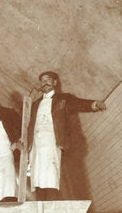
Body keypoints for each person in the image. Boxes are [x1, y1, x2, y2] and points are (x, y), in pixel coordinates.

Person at [28, 71, 106, 200]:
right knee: (37, 175)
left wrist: (94, 104)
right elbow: (27, 124)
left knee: (51, 174)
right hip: (36, 144)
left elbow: (78, 103)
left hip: (52, 141)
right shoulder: (35, 104)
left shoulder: (63, 99)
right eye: (42, 81)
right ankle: (40, 210)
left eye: (48, 79)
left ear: (55, 82)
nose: (44, 83)